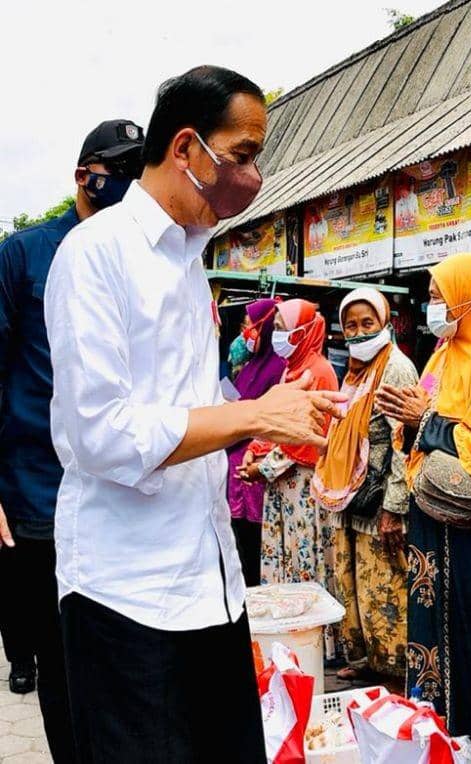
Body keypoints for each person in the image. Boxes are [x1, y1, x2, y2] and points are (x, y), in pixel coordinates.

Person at [45, 66, 346, 763]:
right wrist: (250, 421)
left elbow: (195, 401)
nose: (252, 177)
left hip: (208, 582)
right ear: (185, 148)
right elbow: (100, 433)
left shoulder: (188, 262)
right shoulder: (96, 256)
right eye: (241, 156)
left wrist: (286, 411)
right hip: (127, 591)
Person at [0, 118, 144, 761]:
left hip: (120, 487)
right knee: (60, 655)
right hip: (37, 492)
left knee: (117, 650)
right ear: (84, 174)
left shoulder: (137, 254)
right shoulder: (26, 253)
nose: (123, 181)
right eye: (114, 167)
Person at [374, 253, 471, 761]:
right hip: (430, 508)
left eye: (442, 294)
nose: (433, 304)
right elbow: (421, 420)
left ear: (468, 296)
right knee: (430, 610)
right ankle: (439, 715)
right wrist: (409, 420)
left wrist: (427, 420)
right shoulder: (442, 354)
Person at [311, 288, 418, 690]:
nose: (358, 332)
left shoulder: (396, 368)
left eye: (367, 323)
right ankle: (368, 660)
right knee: (352, 582)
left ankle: (395, 668)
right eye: (351, 325)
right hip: (351, 496)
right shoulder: (354, 370)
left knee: (383, 586)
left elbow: (400, 442)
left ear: (385, 323)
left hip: (378, 502)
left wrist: (394, 507)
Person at [242, 299, 339, 586]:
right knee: (283, 556)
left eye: (283, 329)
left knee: (303, 558)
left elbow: (308, 436)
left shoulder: (318, 373)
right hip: (283, 484)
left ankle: (307, 630)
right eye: (276, 328)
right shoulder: (291, 369)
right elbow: (275, 421)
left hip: (304, 483)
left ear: (302, 331)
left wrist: (264, 468)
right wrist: (254, 451)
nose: (277, 336)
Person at [227, 298, 287, 587]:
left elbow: (269, 417)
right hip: (237, 469)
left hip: (256, 471)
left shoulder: (278, 367)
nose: (245, 332)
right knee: (240, 548)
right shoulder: (251, 364)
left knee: (255, 550)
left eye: (250, 325)